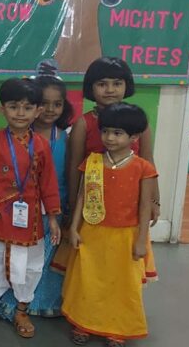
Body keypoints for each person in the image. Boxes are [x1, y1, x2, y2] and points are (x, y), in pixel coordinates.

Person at [64, 103, 158, 347]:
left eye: (117, 133)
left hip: (126, 236)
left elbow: (144, 207)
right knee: (89, 279)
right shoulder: (92, 162)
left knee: (122, 283)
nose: (109, 138)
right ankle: (84, 323)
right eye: (105, 131)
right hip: (92, 233)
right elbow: (82, 196)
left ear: (134, 137)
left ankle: (118, 328)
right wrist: (74, 227)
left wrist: (141, 240)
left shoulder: (143, 168)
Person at [0, 78, 61, 339]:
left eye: (27, 107)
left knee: (30, 266)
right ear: (2, 109)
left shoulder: (41, 145)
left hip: (29, 217)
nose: (20, 113)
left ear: (37, 111)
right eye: (13, 107)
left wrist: (52, 217)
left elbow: (48, 183)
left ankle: (22, 310)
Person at [0, 62, 71, 321]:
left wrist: (63, 209)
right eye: (44, 103)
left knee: (42, 258)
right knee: (13, 257)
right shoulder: (15, 135)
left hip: (51, 207)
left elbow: (67, 173)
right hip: (13, 208)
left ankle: (38, 302)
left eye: (57, 104)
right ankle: (4, 301)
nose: (50, 110)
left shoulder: (65, 136)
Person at [67, 57, 158, 227]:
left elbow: (148, 161)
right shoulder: (83, 124)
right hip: (92, 203)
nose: (110, 90)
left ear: (126, 85)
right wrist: (72, 206)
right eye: (102, 84)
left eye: (117, 84)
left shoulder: (139, 122)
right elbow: (74, 168)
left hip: (130, 203)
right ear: (91, 87)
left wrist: (155, 200)